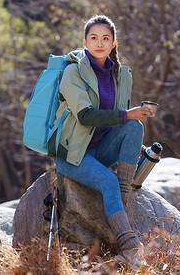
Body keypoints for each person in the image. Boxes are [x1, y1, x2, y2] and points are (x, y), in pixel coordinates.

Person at [48, 15, 152, 269]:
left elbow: (120, 122)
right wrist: (126, 115)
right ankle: (129, 248)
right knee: (107, 180)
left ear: (114, 43)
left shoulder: (118, 75)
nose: (99, 43)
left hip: (98, 150)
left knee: (134, 126)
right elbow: (85, 116)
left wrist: (129, 135)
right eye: (93, 38)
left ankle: (124, 196)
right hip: (72, 155)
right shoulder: (73, 72)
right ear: (84, 42)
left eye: (105, 38)